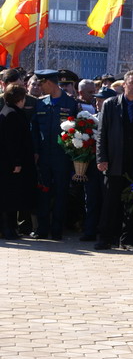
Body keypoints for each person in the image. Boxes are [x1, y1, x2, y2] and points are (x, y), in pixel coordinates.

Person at [95, 70, 133, 251]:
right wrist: (102, 158)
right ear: (124, 84)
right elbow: (102, 134)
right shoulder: (110, 104)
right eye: (132, 83)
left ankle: (129, 240)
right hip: (114, 161)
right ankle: (105, 238)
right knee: (110, 202)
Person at [31, 70, 80, 240]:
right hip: (44, 156)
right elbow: (35, 130)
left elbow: (77, 131)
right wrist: (36, 151)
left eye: (41, 83)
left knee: (60, 193)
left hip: (62, 157)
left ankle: (57, 229)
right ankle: (42, 229)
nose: (39, 87)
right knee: (43, 191)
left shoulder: (71, 103)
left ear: (50, 83)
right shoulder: (41, 103)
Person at [0, 84, 36, 240]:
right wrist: (16, 162)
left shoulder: (9, 112)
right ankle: (7, 229)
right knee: (9, 198)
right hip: (11, 164)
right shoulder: (12, 114)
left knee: (11, 197)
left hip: (10, 163)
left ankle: (11, 228)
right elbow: (12, 142)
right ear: (19, 99)